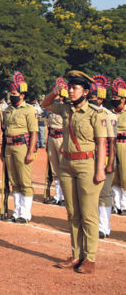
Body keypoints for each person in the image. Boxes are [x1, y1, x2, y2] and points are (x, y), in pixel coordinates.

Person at [42, 71, 107, 274]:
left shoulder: (96, 113)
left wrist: (100, 170)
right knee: (73, 213)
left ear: (86, 92)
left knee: (88, 214)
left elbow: (102, 143)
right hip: (67, 165)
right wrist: (55, 91)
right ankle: (76, 254)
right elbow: (45, 104)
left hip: (87, 165)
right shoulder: (65, 109)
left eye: (75, 87)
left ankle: (90, 258)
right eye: (69, 87)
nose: (70, 91)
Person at [2, 71, 38, 223]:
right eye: (11, 93)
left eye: (15, 93)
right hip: (9, 146)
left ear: (22, 95)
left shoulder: (29, 110)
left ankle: (25, 213)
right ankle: (16, 212)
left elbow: (34, 132)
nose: (12, 96)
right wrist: (3, 150)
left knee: (25, 181)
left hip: (22, 146)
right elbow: (5, 131)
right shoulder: (8, 110)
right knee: (14, 181)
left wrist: (31, 152)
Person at [88, 75, 116, 239]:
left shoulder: (108, 115)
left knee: (104, 194)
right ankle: (92, 225)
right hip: (89, 159)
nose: (91, 100)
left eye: (93, 98)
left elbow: (111, 142)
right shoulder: (86, 113)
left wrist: (110, 163)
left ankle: (104, 227)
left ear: (100, 98)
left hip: (104, 158)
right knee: (90, 193)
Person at [46, 80, 68, 205]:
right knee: (54, 168)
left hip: (62, 138)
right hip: (52, 136)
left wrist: (65, 143)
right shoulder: (54, 107)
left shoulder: (66, 108)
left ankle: (65, 196)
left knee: (63, 168)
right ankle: (57, 195)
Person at [110, 77, 126, 215]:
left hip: (125, 145)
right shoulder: (111, 113)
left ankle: (124, 204)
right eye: (113, 96)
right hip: (113, 145)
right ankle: (117, 204)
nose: (115, 99)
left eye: (117, 97)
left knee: (125, 175)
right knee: (114, 176)